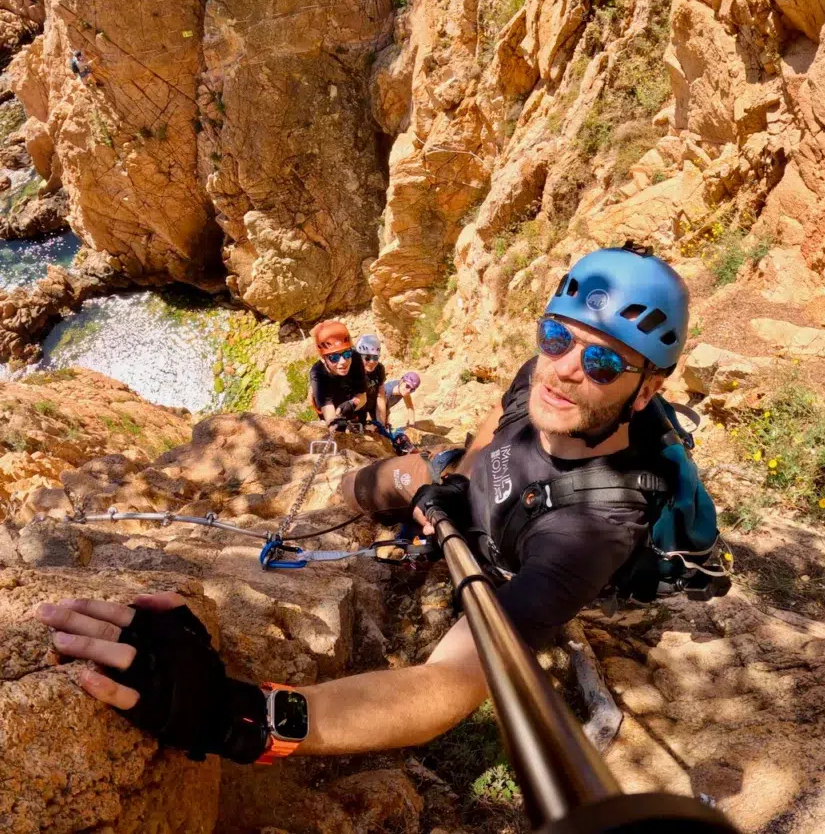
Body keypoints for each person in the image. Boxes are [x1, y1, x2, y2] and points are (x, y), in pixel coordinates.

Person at [33, 243, 690, 764]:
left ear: (644, 390)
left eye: (604, 363)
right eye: (556, 337)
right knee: (369, 482)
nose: (565, 369)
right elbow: (496, 426)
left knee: (403, 486)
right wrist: (454, 485)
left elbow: (447, 684)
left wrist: (241, 716)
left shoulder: (591, 528)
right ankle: (377, 496)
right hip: (466, 497)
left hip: (513, 554)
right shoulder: (543, 377)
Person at [307, 320, 368, 429]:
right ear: (323, 359)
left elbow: (363, 396)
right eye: (334, 357)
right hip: (333, 407)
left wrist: (352, 405)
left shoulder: (355, 358)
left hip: (355, 409)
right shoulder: (318, 373)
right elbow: (328, 409)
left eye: (347, 353)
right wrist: (335, 421)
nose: (343, 361)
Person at [355, 333, 387, 424]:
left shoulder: (379, 369)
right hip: (357, 410)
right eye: (367, 358)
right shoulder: (352, 372)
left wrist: (381, 425)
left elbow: (380, 397)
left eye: (375, 357)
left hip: (373, 406)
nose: (372, 361)